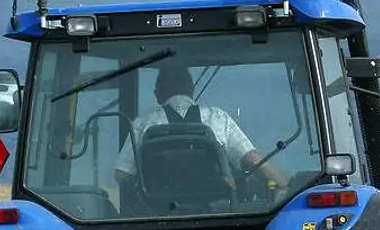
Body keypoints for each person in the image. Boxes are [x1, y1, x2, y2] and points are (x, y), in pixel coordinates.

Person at [113, 61, 285, 190]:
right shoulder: (217, 118)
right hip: (220, 212)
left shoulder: (142, 124)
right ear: (191, 89)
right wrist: (283, 187)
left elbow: (122, 176)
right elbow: (253, 160)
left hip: (158, 213)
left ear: (157, 94)